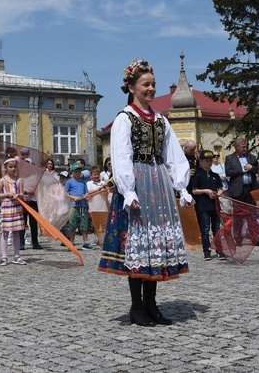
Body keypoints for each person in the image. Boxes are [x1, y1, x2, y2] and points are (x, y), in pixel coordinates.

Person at [98, 58, 193, 327]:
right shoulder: (124, 119)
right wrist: (128, 190)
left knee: (155, 246)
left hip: (159, 184)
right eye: (145, 84)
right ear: (131, 87)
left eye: (153, 84)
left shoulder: (161, 120)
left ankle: (152, 304)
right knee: (138, 245)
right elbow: (121, 156)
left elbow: (172, 154)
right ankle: (136, 306)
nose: (151, 89)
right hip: (138, 185)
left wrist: (181, 186)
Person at [191, 150, 223, 261]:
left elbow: (220, 189)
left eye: (210, 161)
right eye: (206, 161)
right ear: (201, 162)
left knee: (216, 229)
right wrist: (206, 191)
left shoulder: (215, 175)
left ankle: (219, 250)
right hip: (204, 206)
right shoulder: (198, 176)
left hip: (214, 205)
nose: (209, 163)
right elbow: (194, 191)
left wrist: (217, 194)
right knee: (205, 229)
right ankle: (206, 251)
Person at [0, 157, 27, 266]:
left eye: (14, 166)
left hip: (17, 208)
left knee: (17, 232)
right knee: (5, 232)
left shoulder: (19, 180)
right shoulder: (2, 180)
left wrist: (19, 195)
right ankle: (4, 257)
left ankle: (17, 256)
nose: (13, 168)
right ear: (6, 168)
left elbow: (22, 194)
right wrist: (7, 194)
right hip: (6, 208)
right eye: (10, 167)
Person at [65, 163, 94, 250]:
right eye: (76, 172)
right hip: (73, 207)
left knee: (84, 225)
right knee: (72, 225)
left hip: (83, 205)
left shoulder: (83, 182)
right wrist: (73, 197)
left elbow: (87, 192)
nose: (78, 173)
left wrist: (86, 195)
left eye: (79, 172)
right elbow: (65, 193)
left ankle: (86, 242)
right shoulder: (69, 182)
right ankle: (71, 242)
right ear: (72, 172)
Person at [86, 165, 109, 248]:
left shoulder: (103, 183)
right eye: (94, 174)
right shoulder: (89, 183)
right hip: (93, 208)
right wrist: (99, 189)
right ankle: (97, 238)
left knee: (103, 225)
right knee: (95, 225)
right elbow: (89, 192)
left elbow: (106, 194)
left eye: (97, 174)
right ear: (91, 176)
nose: (96, 176)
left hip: (103, 208)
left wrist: (105, 188)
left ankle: (103, 240)